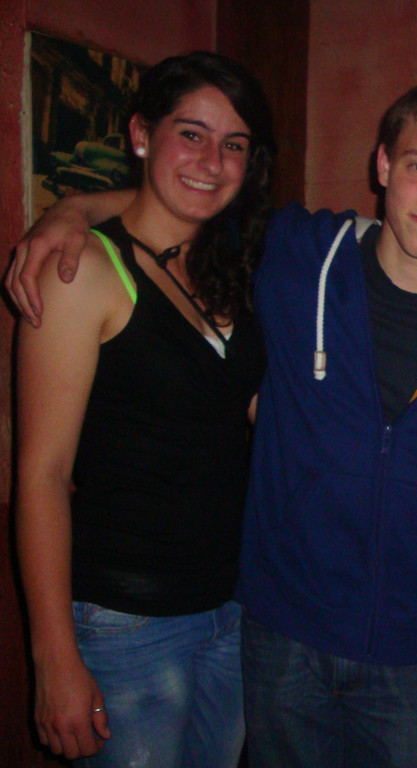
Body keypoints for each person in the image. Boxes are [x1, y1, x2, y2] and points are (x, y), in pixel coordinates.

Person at [9, 75, 417, 768]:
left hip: (407, 646)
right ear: (383, 164)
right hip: (276, 629)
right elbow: (181, 202)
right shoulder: (298, 253)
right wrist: (70, 211)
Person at [14, 51, 273, 767]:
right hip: (126, 621)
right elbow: (42, 475)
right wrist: (53, 657)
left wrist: (74, 202)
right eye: (190, 134)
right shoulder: (83, 270)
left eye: (233, 144)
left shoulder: (226, 265)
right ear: (140, 134)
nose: (212, 161)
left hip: (232, 607)